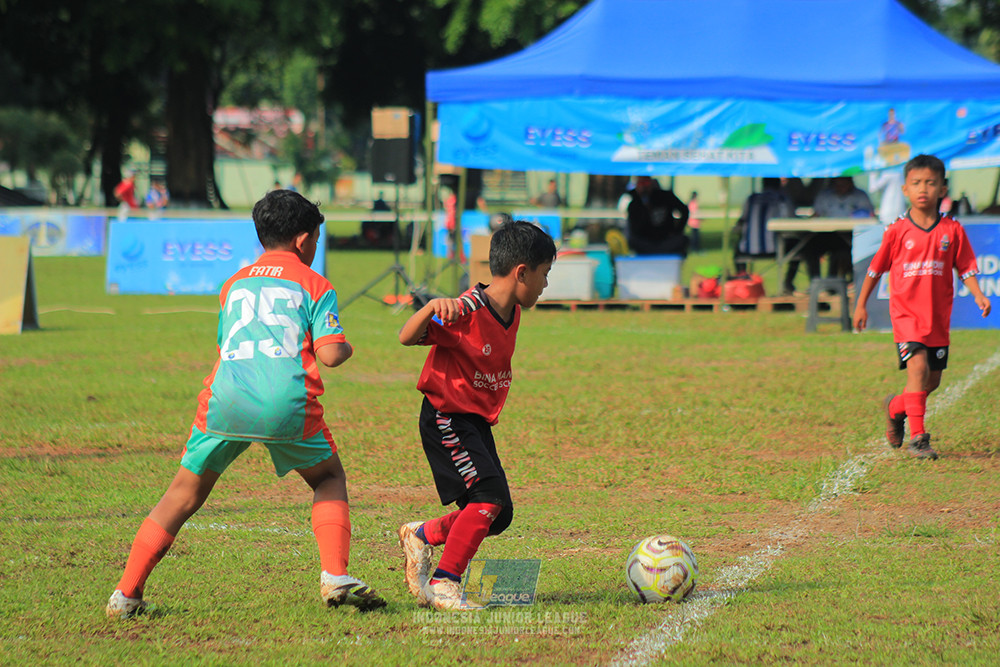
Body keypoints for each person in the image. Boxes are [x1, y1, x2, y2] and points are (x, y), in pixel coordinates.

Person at [105, 190, 386, 619]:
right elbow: (330, 354)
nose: (314, 249)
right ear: (302, 240)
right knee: (328, 477)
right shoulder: (315, 283)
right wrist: (344, 348)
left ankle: (126, 595)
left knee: (181, 495)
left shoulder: (233, 283)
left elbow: (227, 344)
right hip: (283, 402)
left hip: (226, 398)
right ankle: (333, 574)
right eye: (315, 240)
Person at [396, 219, 556, 611]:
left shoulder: (511, 309)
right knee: (487, 499)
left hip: (475, 421)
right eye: (544, 274)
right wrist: (432, 307)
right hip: (446, 416)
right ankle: (445, 584)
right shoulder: (466, 308)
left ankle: (421, 534)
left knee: (496, 514)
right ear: (522, 272)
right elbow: (406, 336)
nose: (545, 284)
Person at [853, 154, 991, 460]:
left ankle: (895, 407)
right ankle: (919, 439)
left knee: (931, 381)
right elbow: (875, 270)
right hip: (906, 316)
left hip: (937, 318)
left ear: (943, 188)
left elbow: (966, 267)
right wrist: (860, 305)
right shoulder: (897, 231)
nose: (923, 189)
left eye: (930, 183)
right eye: (916, 183)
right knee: (917, 369)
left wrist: (979, 294)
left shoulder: (952, 231)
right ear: (905, 189)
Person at [732, 178, 805, 294]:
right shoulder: (782, 199)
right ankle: (788, 283)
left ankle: (743, 282)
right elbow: (791, 221)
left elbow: (742, 220)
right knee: (799, 247)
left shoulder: (751, 199)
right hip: (775, 248)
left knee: (737, 249)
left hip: (747, 249)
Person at [813, 176, 874, 279]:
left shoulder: (860, 196)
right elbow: (815, 215)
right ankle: (815, 281)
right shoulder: (824, 195)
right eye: (838, 183)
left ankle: (849, 280)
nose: (841, 186)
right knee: (810, 248)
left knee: (844, 249)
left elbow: (870, 216)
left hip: (853, 234)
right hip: (827, 233)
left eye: (844, 183)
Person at [626, 176, 690, 257]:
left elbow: (684, 211)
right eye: (641, 183)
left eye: (646, 183)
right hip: (645, 243)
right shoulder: (634, 204)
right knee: (632, 241)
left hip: (666, 240)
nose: (644, 187)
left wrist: (677, 230)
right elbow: (635, 230)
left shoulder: (666, 197)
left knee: (683, 239)